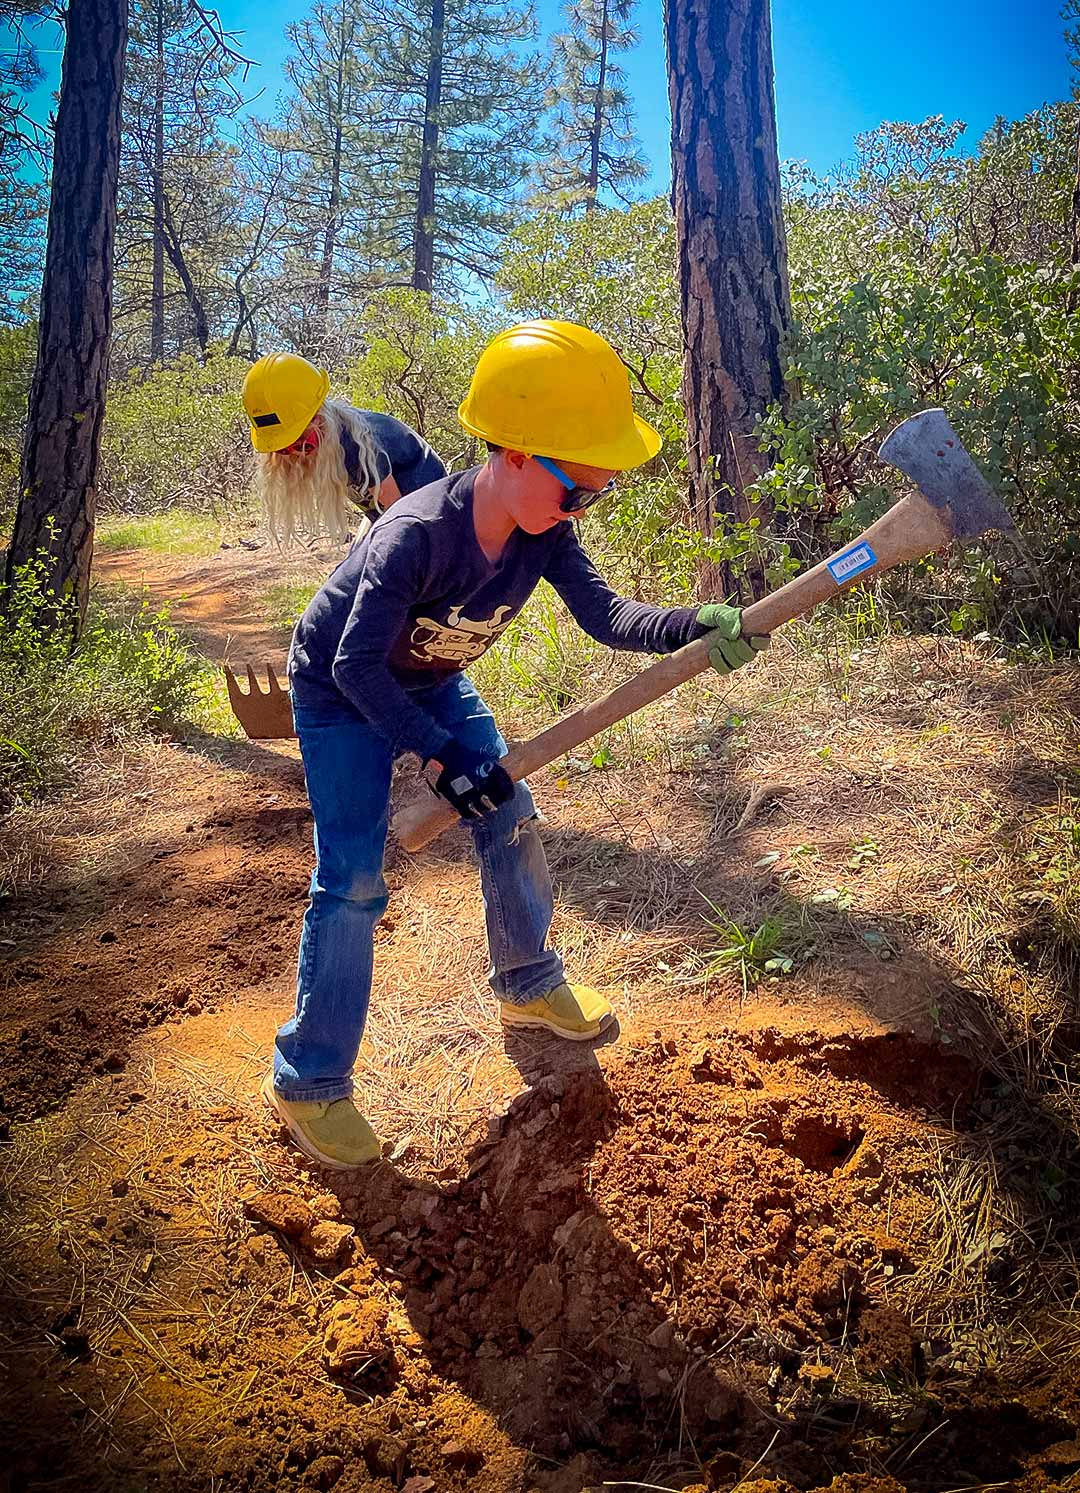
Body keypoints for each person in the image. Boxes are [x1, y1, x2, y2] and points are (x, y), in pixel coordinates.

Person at [262, 321, 770, 1170]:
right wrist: (435, 754)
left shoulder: (543, 532)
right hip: (342, 690)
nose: (582, 509)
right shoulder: (414, 534)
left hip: (427, 677)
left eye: (595, 497)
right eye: (578, 491)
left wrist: (691, 625)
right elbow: (355, 665)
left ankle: (528, 981)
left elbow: (608, 618)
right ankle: (308, 1079)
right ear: (519, 454)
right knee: (351, 878)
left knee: (509, 811)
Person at [242, 352, 446, 543]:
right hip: (396, 517)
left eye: (303, 443)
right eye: (282, 449)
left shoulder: (355, 446)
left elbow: (399, 519)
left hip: (430, 517)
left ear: (319, 420)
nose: (296, 454)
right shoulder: (332, 439)